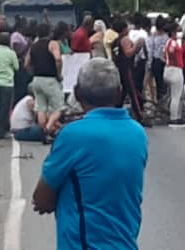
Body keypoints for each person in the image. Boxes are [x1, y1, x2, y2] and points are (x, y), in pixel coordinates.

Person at [33, 59, 147, 250]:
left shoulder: (72, 135)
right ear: (119, 92)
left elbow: (42, 199)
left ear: (77, 93)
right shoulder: (137, 133)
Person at [27, 23, 66, 134]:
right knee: (59, 107)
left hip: (36, 79)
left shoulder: (33, 46)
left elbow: (26, 63)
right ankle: (48, 127)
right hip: (50, 79)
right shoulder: (52, 44)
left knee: (41, 108)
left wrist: (33, 72)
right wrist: (59, 74)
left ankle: (42, 130)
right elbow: (58, 59)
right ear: (49, 33)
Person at [110, 19, 144, 123]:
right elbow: (128, 53)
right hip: (127, 68)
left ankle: (115, 111)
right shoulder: (125, 39)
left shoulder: (115, 41)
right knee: (132, 92)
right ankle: (139, 116)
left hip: (119, 67)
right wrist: (137, 45)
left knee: (123, 92)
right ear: (124, 29)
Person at [0, 33, 20, 139]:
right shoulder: (11, 53)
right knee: (4, 108)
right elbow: (16, 67)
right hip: (6, 83)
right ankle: (1, 130)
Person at [163, 23, 185, 128]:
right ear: (173, 32)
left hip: (169, 69)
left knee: (177, 95)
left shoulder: (168, 42)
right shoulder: (173, 42)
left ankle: (177, 116)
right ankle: (174, 118)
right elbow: (172, 52)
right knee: (176, 96)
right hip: (175, 70)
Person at [146, 19, 170, 104]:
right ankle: (162, 99)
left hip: (156, 61)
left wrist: (149, 62)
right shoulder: (167, 37)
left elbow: (151, 50)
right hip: (163, 61)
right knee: (162, 82)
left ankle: (160, 99)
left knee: (159, 81)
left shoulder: (154, 36)